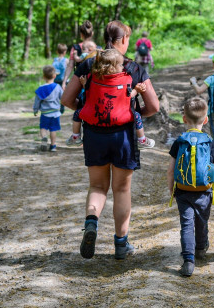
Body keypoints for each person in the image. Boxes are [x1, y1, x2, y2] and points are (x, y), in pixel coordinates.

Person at [61, 20, 159, 260]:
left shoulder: (87, 64)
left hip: (94, 134)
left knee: (97, 186)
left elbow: (66, 99)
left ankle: (92, 222)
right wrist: (134, 113)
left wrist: (84, 110)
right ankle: (121, 243)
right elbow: (154, 106)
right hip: (124, 135)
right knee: (122, 188)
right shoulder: (133, 68)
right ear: (124, 39)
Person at [167, 97, 214, 277]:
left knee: (186, 224)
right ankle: (201, 248)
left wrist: (172, 190)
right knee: (201, 221)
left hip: (183, 191)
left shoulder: (179, 142)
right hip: (204, 191)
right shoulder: (210, 142)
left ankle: (188, 260)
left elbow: (170, 170)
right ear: (206, 119)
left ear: (184, 119)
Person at [78, 51, 155, 150]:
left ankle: (75, 136)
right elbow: (128, 96)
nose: (123, 67)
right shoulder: (122, 81)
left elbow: (89, 90)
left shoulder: (94, 79)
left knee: (77, 113)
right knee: (137, 115)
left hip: (96, 122)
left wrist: (84, 83)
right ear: (112, 68)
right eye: (121, 65)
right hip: (118, 121)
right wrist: (137, 90)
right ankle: (142, 139)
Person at [64, 21, 95, 146]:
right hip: (94, 81)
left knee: (79, 104)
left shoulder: (76, 48)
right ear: (92, 33)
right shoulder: (96, 47)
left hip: (79, 80)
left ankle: (77, 133)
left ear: (81, 34)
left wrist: (65, 80)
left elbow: (71, 65)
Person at [33, 65, 64, 152]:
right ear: (55, 76)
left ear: (43, 77)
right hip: (55, 113)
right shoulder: (58, 87)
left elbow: (37, 102)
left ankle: (44, 138)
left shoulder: (40, 89)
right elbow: (63, 97)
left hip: (45, 113)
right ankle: (53, 145)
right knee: (53, 129)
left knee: (43, 127)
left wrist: (35, 110)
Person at [53, 44, 68, 114]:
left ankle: (55, 106)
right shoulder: (66, 60)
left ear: (57, 51)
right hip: (63, 80)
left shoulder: (55, 60)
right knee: (63, 94)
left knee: (56, 94)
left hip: (55, 79)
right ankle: (62, 108)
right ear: (65, 52)